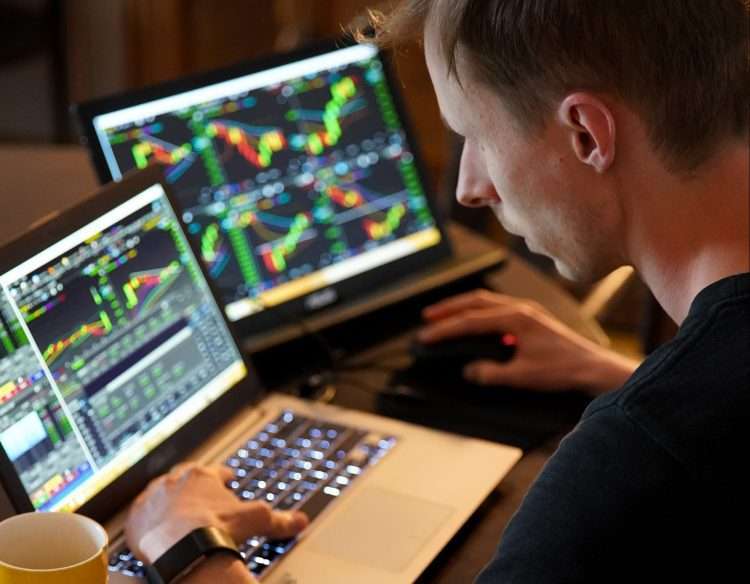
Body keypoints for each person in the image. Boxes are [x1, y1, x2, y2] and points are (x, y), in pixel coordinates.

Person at [125, 0, 750, 581]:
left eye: (475, 135)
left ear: (586, 134)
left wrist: (193, 553)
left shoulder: (620, 477)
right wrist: (622, 374)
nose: (470, 188)